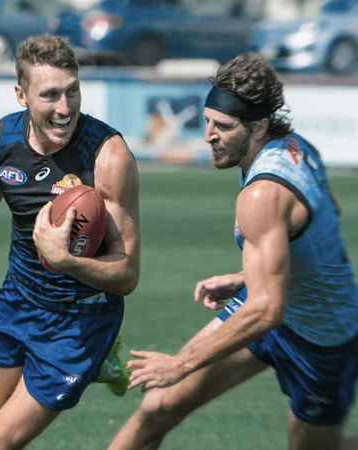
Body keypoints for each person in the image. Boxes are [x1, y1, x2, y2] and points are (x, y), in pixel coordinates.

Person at [108, 53, 358, 450]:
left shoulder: (263, 193)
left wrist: (180, 364)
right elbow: (327, 214)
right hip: (270, 301)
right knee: (158, 408)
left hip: (322, 339)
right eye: (207, 120)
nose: (208, 134)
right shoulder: (297, 147)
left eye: (222, 126)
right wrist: (250, 275)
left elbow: (266, 310)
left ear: (258, 127)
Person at [0, 35, 141, 450]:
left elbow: (126, 274)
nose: (65, 108)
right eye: (50, 95)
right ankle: (102, 364)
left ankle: (102, 353)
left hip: (80, 322)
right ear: (21, 95)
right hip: (17, 304)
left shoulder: (108, 157)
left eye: (72, 91)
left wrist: (64, 260)